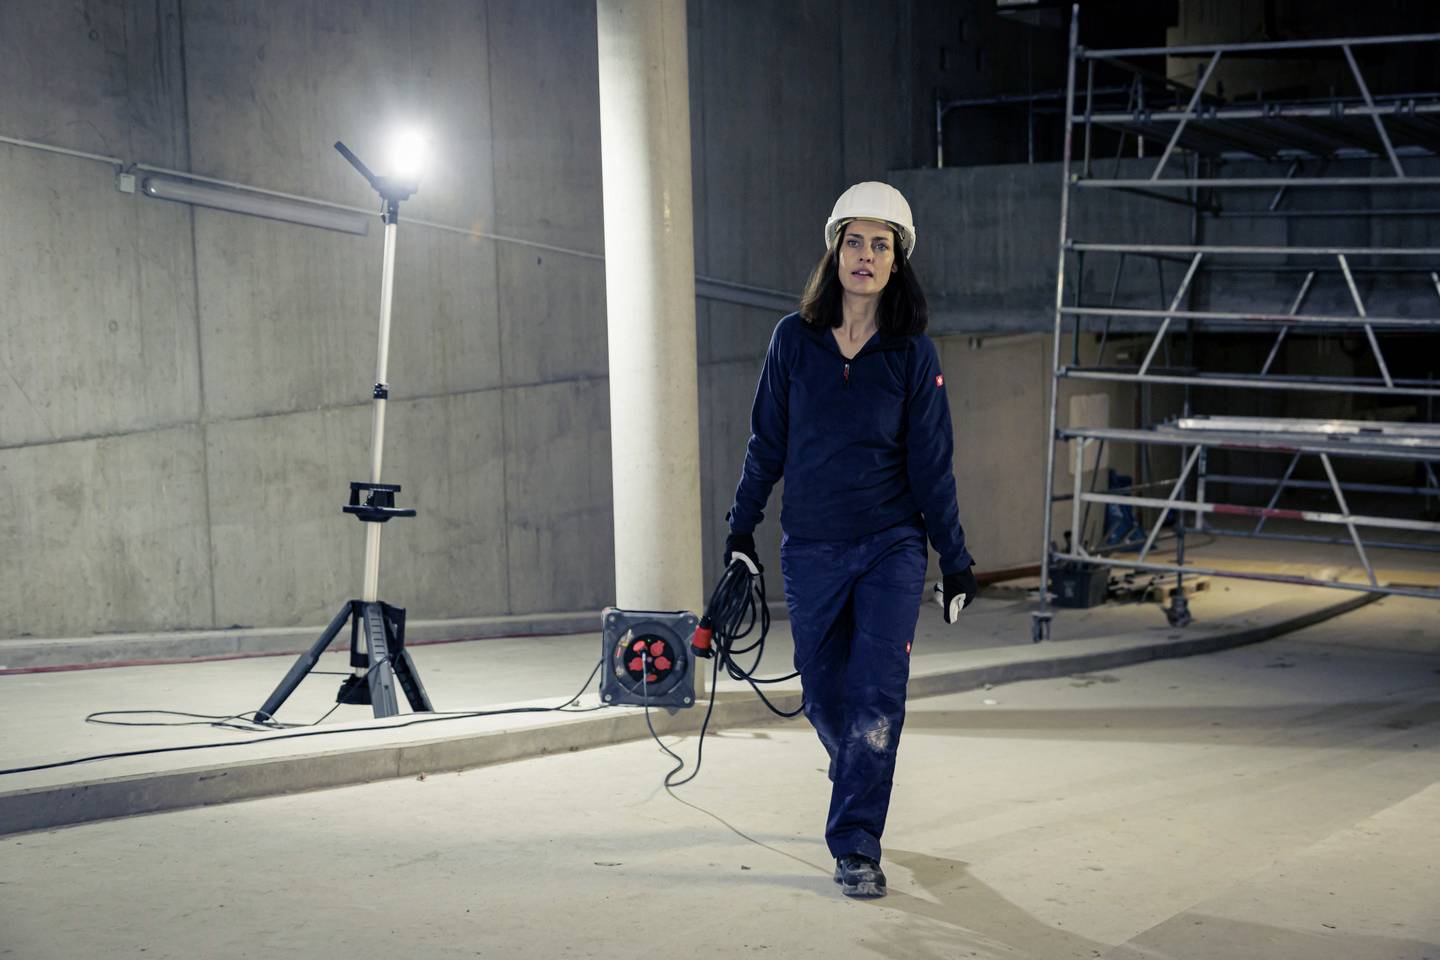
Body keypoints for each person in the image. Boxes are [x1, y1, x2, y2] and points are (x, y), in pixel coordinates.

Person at [724, 182, 978, 899]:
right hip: (810, 546)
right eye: (855, 241)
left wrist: (954, 561)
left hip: (891, 547)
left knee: (875, 701)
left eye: (881, 244)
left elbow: (932, 463)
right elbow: (765, 442)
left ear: (899, 262)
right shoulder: (792, 341)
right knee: (825, 697)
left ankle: (856, 846)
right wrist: (742, 525)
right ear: (835, 250)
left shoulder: (910, 353)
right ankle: (859, 779)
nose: (866, 256)